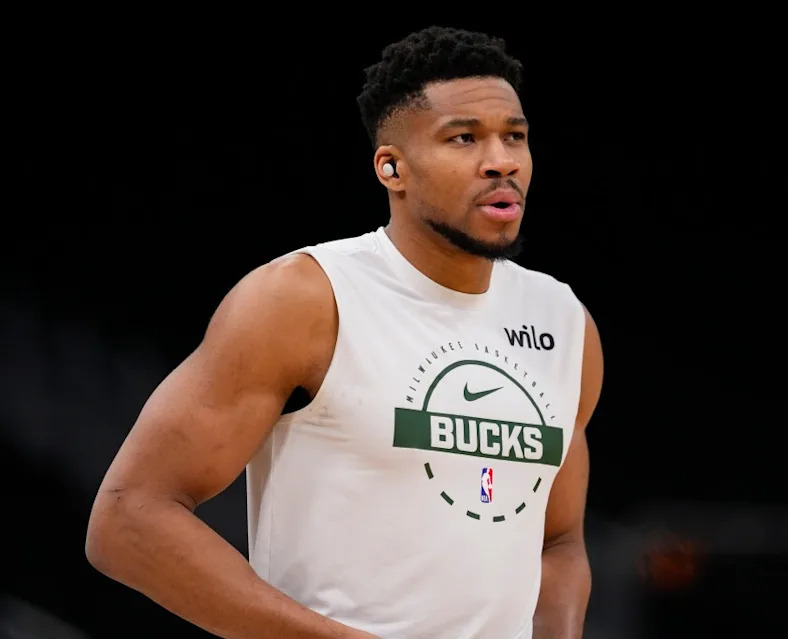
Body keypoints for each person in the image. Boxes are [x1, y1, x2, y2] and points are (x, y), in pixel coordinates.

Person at [85, 25, 604, 639]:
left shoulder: (563, 320)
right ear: (392, 167)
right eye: (464, 138)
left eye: (514, 136)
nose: (502, 161)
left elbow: (559, 540)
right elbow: (127, 519)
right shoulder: (305, 296)